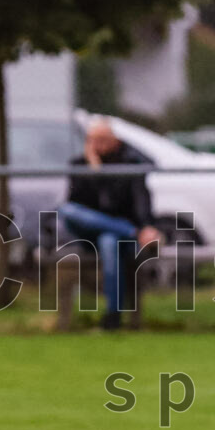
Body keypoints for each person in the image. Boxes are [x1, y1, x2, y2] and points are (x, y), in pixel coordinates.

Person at [58, 117, 161, 330]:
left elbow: (136, 199)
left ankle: (113, 317)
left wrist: (146, 224)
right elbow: (77, 203)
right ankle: (133, 231)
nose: (98, 144)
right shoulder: (79, 165)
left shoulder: (130, 164)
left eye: (103, 139)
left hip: (115, 237)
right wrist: (94, 170)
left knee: (108, 242)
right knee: (66, 210)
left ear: (115, 140)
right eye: (93, 139)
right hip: (89, 233)